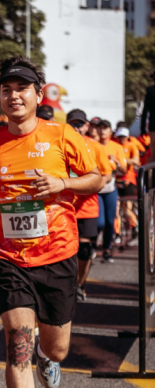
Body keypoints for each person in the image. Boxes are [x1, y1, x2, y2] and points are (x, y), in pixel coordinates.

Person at [0, 56, 102, 388]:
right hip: (10, 258)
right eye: (6, 89)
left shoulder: (61, 134)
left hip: (57, 254)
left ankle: (46, 353)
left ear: (38, 95)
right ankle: (33, 353)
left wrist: (63, 184)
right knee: (17, 351)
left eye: (22, 88)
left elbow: (95, 179)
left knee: (57, 348)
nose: (14, 95)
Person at [66, 109, 113, 301]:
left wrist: (94, 183)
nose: (76, 128)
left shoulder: (95, 147)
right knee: (65, 251)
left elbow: (107, 173)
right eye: (73, 124)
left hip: (87, 206)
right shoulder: (58, 145)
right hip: (63, 206)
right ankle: (67, 285)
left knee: (84, 250)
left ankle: (80, 284)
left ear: (87, 126)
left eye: (80, 124)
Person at [98, 120, 126, 263]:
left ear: (111, 131)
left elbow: (124, 170)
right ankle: (91, 246)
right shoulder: (93, 145)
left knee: (110, 221)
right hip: (95, 189)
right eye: (100, 128)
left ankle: (107, 250)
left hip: (110, 189)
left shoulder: (116, 147)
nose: (102, 131)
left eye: (105, 128)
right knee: (99, 222)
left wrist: (116, 161)